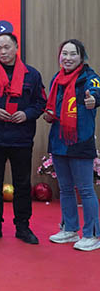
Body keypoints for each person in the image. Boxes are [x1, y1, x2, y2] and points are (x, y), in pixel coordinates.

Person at [0, 33, 46, 244]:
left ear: (16, 47)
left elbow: (40, 102)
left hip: (21, 138)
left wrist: (27, 114)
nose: (3, 52)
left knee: (22, 184)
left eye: (7, 47)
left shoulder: (32, 75)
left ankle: (22, 227)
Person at [44, 39, 100, 251]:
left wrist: (93, 100)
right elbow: (53, 107)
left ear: (81, 57)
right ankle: (69, 229)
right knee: (65, 188)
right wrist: (49, 115)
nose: (67, 58)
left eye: (73, 54)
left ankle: (92, 234)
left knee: (85, 190)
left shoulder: (90, 78)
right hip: (59, 140)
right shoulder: (57, 79)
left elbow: (96, 93)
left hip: (80, 140)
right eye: (64, 53)